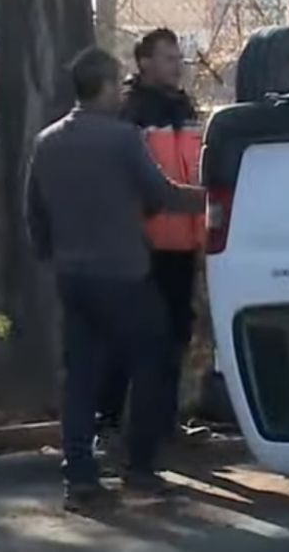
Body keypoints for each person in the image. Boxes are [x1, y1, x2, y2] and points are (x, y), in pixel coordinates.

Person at [25, 47, 205, 511]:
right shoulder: (123, 139)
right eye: (116, 83)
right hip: (123, 273)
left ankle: (80, 478)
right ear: (105, 87)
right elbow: (160, 194)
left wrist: (54, 255)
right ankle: (140, 469)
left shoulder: (47, 141)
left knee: (81, 375)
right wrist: (213, 197)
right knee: (153, 358)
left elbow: (35, 213)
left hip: (73, 275)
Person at [96, 28, 203, 447]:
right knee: (129, 335)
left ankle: (163, 421)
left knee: (175, 333)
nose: (177, 64)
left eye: (178, 57)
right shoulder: (132, 112)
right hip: (141, 245)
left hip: (182, 244)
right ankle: (108, 423)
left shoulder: (184, 108)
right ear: (144, 63)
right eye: (168, 57)